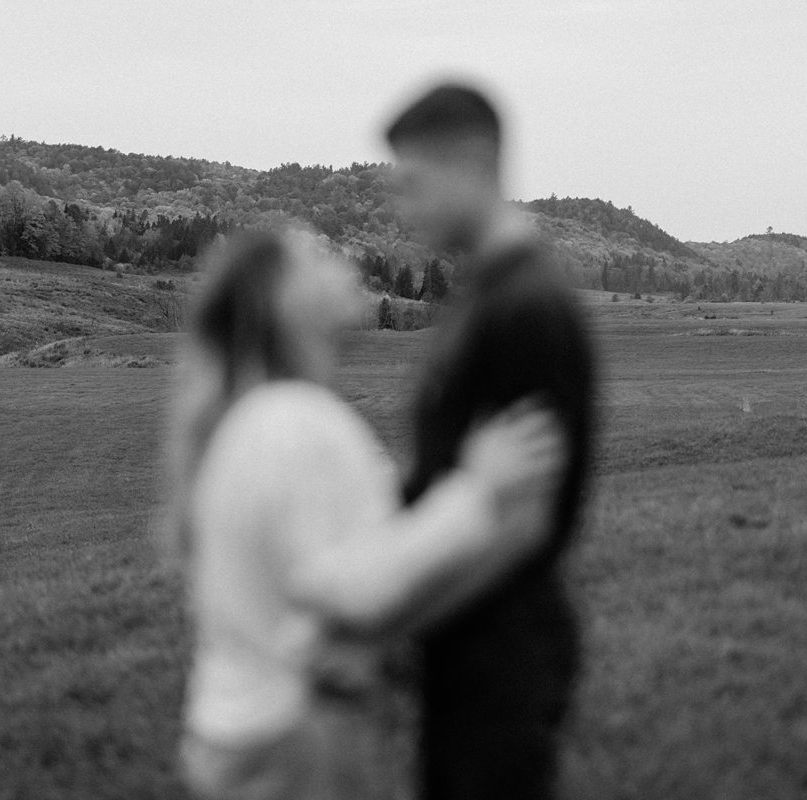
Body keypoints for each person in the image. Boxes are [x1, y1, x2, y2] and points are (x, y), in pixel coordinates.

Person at [165, 228, 568, 800]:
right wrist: (478, 489)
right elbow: (356, 588)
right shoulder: (293, 419)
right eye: (317, 255)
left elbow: (338, 559)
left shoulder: (261, 418)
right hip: (292, 740)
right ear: (284, 301)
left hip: (248, 732)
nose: (341, 260)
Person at [386, 83, 597, 799]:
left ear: (475, 163)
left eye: (414, 182)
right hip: (465, 648)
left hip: (502, 653)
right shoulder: (487, 288)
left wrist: (395, 625)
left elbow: (525, 522)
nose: (401, 206)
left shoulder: (527, 306)